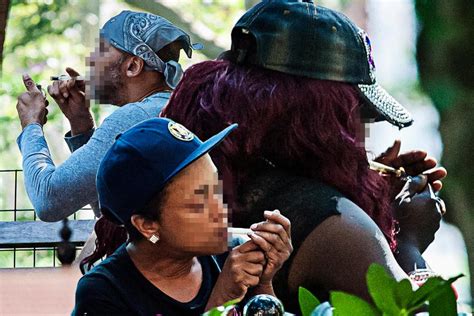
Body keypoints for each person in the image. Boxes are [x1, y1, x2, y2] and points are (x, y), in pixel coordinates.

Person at [162, 0, 447, 312]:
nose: (360, 134)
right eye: (358, 114)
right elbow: (427, 311)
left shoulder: (207, 179)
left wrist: (370, 197)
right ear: (321, 118)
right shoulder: (337, 226)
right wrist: (408, 242)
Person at [72, 117, 293, 315]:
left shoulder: (227, 258)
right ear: (147, 225)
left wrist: (263, 283)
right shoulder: (104, 293)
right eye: (200, 203)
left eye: (216, 188)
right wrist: (222, 301)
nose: (221, 208)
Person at [15, 10, 199, 222]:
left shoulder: (136, 117)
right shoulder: (169, 108)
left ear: (132, 66)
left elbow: (48, 200)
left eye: (101, 50)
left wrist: (31, 125)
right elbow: (110, 214)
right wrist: (81, 125)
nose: (90, 59)